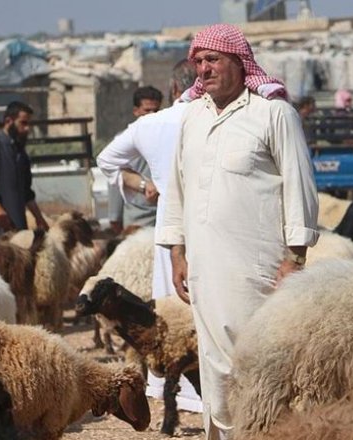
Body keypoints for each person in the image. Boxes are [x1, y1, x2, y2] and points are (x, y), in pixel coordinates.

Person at [157, 24, 319, 439]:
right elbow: (176, 187)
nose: (204, 69)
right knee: (213, 365)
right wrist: (176, 252)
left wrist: (295, 258)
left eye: (213, 59)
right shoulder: (192, 115)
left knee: (256, 362)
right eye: (198, 61)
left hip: (258, 269)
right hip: (203, 269)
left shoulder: (273, 113)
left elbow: (299, 185)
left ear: (239, 62)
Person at [96, 61, 202, 409]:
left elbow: (106, 160)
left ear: (173, 89)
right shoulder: (215, 116)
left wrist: (144, 185)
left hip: (169, 229)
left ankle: (176, 385)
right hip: (209, 225)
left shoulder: (151, 125)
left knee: (172, 304)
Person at [0, 101, 48, 243]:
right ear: (8, 121)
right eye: (23, 123)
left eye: (28, 124)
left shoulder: (21, 153)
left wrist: (39, 218)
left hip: (16, 226)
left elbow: (26, 192)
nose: (27, 128)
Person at [105, 86, 164, 234]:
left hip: (163, 216)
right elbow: (115, 178)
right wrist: (114, 217)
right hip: (137, 220)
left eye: (156, 110)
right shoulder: (124, 141)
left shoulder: (167, 137)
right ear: (136, 111)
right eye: (147, 110)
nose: (152, 115)